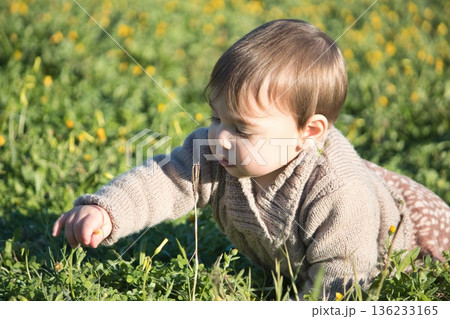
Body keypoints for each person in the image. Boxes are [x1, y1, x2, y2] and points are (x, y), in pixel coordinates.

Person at [52, 19, 450, 299]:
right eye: (215, 117)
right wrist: (107, 211)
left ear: (307, 133)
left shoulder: (340, 193)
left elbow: (342, 277)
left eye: (242, 129)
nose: (219, 137)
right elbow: (164, 179)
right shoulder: (217, 150)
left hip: (408, 245)